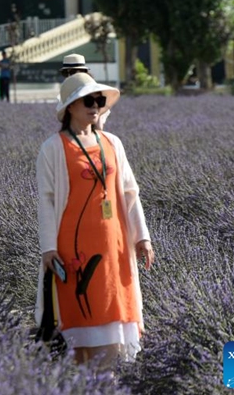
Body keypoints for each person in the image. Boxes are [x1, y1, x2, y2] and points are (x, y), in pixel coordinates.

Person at [35, 73, 154, 372]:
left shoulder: (113, 142)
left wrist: (142, 237)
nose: (95, 106)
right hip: (74, 251)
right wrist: (48, 248)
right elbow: (47, 201)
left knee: (112, 313)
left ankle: (108, 381)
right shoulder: (53, 148)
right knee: (78, 320)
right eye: (89, 100)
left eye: (99, 100)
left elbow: (130, 192)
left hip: (114, 248)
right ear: (71, 106)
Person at [59, 54, 110, 129]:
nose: (69, 77)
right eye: (66, 73)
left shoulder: (93, 91)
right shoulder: (66, 92)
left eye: (73, 72)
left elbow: (99, 124)